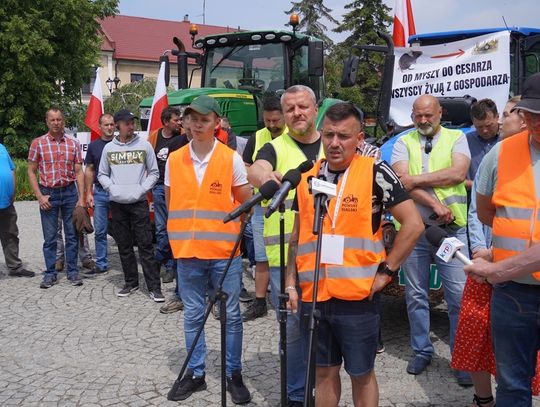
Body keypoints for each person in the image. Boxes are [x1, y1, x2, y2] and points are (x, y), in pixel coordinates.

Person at [286, 102, 422, 407]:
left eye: (344, 136)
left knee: (361, 374)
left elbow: (413, 225)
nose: (335, 143)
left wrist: (387, 271)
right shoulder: (307, 176)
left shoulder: (375, 172)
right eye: (329, 135)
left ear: (359, 138)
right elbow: (296, 238)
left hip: (358, 298)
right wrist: (291, 283)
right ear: (320, 134)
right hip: (314, 294)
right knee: (323, 373)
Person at [451, 96, 539, 407]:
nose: (537, 123)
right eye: (533, 114)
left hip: (503, 278)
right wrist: (498, 247)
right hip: (514, 293)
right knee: (513, 385)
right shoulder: (502, 154)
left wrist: (499, 267)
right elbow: (486, 211)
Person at [165, 95, 252, 404]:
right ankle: (196, 374)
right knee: (192, 315)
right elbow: (171, 201)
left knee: (230, 316)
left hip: (223, 253)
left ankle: (233, 374)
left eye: (204, 119)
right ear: (185, 122)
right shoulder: (175, 159)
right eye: (193, 119)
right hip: (187, 251)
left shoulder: (230, 158)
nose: (197, 124)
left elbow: (246, 203)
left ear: (216, 123)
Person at [248, 85, 323, 405]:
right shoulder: (275, 146)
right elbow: (257, 168)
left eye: (302, 107)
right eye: (290, 108)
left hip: (329, 255)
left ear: (315, 108)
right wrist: (267, 177)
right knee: (294, 329)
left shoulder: (332, 144)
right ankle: (296, 395)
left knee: (325, 327)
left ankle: (323, 391)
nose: (297, 113)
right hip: (284, 257)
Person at [391, 94, 472, 384]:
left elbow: (458, 173)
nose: (423, 120)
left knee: (458, 297)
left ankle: (461, 358)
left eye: (429, 115)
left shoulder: (456, 138)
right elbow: (401, 182)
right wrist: (435, 203)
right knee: (415, 295)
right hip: (415, 229)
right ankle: (422, 350)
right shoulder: (403, 142)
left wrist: (416, 180)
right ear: (412, 115)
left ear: (440, 113)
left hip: (451, 229)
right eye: (418, 116)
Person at [97, 109, 163, 301]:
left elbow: (154, 173)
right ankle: (131, 282)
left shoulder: (145, 146)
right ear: (117, 125)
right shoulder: (109, 148)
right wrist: (112, 189)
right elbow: (101, 173)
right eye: (127, 123)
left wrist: (142, 190)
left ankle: (154, 287)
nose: (131, 126)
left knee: (145, 246)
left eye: (133, 122)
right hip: (117, 204)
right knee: (124, 245)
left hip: (139, 202)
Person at [28, 108, 85, 288]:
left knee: (72, 234)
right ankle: (50, 273)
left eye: (59, 119)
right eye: (52, 120)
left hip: (69, 192)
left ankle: (73, 271)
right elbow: (31, 170)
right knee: (50, 237)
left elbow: (79, 172)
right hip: (49, 194)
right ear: (47, 122)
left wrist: (81, 198)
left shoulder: (73, 143)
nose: (56, 123)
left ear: (64, 121)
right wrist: (39, 196)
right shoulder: (38, 143)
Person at [242, 96, 288, 321]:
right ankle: (260, 301)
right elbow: (247, 166)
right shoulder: (257, 137)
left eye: (276, 121)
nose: (271, 125)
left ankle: (287, 300)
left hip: (288, 208)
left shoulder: (291, 137)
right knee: (261, 257)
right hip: (262, 208)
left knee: (287, 258)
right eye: (267, 120)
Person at [147, 106, 182, 284]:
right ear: (166, 122)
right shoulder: (154, 136)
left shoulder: (182, 137)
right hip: (160, 187)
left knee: (176, 228)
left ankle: (162, 262)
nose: (179, 122)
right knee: (161, 229)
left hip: (179, 187)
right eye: (176, 120)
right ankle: (168, 265)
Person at [83, 113, 115, 275]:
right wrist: (89, 193)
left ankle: (126, 263)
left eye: (112, 124)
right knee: (100, 230)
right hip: (100, 193)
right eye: (106, 125)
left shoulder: (121, 144)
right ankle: (101, 263)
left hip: (119, 194)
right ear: (100, 127)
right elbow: (89, 170)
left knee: (123, 230)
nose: (109, 127)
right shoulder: (94, 146)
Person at [0, 141, 34, 278]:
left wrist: (13, 193)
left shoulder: (2, 147)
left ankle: (14, 266)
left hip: (6, 202)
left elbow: (12, 169)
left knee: (11, 235)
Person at [464, 99, 499, 194]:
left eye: (489, 125)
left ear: (497, 117)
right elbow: (456, 178)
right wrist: (476, 185)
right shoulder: (465, 141)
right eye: (479, 127)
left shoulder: (508, 138)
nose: (485, 131)